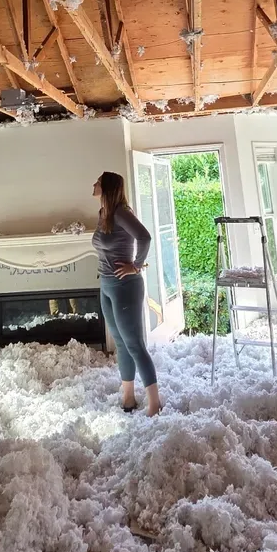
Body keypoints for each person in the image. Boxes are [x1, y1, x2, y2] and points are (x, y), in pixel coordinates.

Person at [92, 171, 161, 417]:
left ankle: (154, 403)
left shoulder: (122, 213)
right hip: (107, 286)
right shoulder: (103, 214)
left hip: (125, 286)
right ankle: (128, 396)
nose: (94, 184)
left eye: (98, 182)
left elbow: (145, 237)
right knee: (121, 344)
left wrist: (136, 264)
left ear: (107, 187)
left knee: (134, 344)